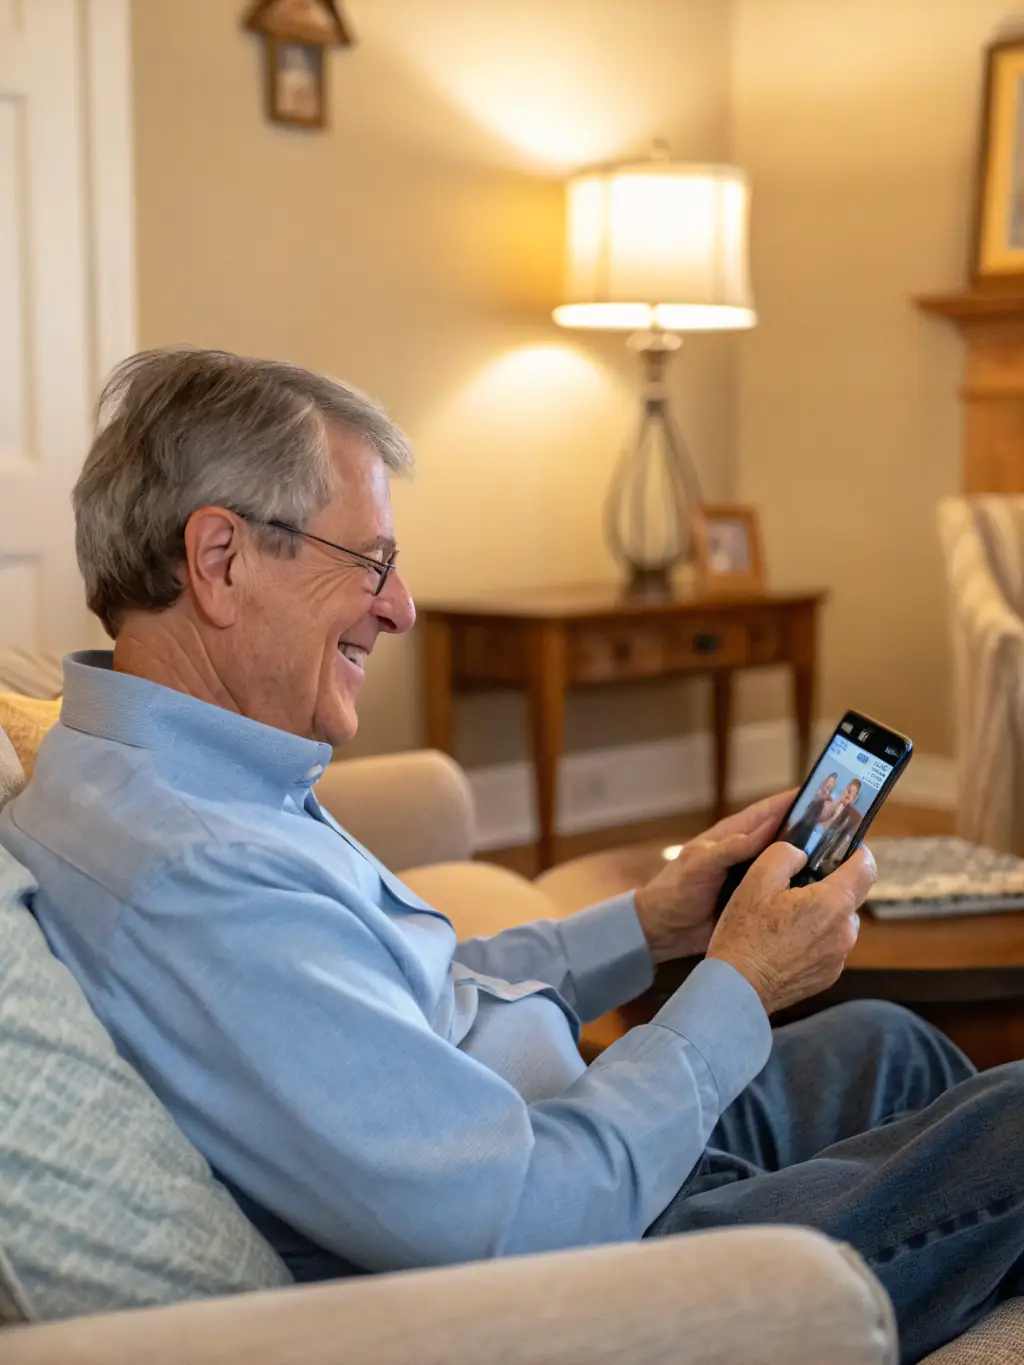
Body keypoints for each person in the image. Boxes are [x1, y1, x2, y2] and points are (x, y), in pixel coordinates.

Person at [4, 349, 1024, 1364]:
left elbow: (415, 998)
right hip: (593, 1261)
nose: (399, 606)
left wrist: (653, 923)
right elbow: (524, 1219)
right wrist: (740, 985)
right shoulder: (195, 875)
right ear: (220, 559)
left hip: (584, 1145)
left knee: (887, 1040)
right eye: (370, 562)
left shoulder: (186, 776)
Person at [809, 778, 864, 877]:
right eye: (848, 791)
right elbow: (817, 823)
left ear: (854, 799)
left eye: (853, 795)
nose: (848, 795)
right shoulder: (829, 804)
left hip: (829, 851)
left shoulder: (852, 817)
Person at [781, 770, 838, 853]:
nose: (827, 792)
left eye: (830, 790)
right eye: (826, 786)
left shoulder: (821, 806)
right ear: (822, 784)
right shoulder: (807, 796)